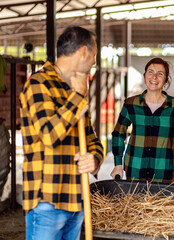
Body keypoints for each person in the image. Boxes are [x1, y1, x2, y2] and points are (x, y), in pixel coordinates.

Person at [19, 26, 104, 240]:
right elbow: (49, 135)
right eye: (94, 54)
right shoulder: (38, 85)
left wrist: (94, 159)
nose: (94, 61)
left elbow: (91, 137)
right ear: (84, 51)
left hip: (76, 198)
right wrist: (77, 97)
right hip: (48, 200)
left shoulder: (74, 88)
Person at [110, 57, 174, 185]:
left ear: (165, 79)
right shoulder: (131, 104)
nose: (154, 77)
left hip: (167, 174)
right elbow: (118, 134)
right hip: (136, 173)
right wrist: (118, 164)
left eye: (160, 74)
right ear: (145, 76)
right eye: (150, 72)